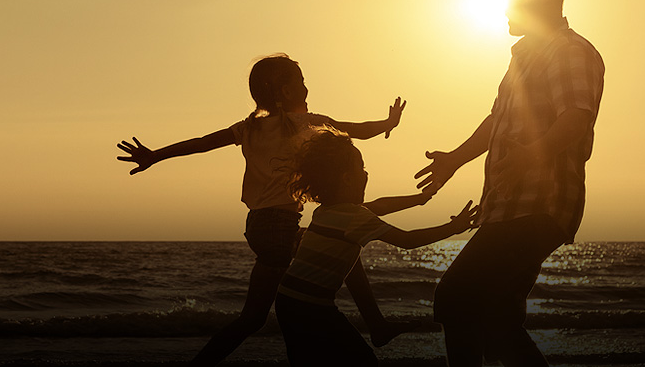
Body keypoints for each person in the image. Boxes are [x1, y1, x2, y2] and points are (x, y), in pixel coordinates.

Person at [116, 54, 428, 366]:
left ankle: (376, 325)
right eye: (301, 81)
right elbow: (354, 130)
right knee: (337, 247)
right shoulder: (305, 123)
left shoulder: (248, 128)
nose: (306, 87)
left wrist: (156, 155)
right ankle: (376, 325)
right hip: (280, 228)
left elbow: (201, 143)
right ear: (286, 91)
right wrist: (389, 123)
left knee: (257, 315)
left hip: (259, 226)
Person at [412, 0, 604, 366]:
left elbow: (576, 118)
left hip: (538, 205)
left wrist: (530, 158)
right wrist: (455, 160)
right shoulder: (525, 56)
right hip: (509, 206)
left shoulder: (569, 51)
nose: (503, 7)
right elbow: (496, 119)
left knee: (456, 298)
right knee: (497, 321)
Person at [276, 129, 479, 367]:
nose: (366, 173)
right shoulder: (354, 217)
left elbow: (378, 205)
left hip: (288, 301)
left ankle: (377, 326)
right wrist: (453, 227)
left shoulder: (327, 211)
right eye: (361, 168)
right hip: (312, 307)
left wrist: (420, 198)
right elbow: (408, 240)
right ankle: (378, 327)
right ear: (347, 179)